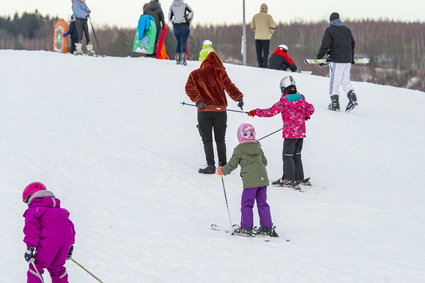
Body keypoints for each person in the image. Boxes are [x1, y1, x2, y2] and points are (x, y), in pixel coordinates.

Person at [247, 76, 315, 190]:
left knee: (287, 156)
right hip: (300, 133)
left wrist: (255, 112)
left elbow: (270, 112)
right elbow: (311, 109)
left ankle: (289, 179)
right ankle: (298, 178)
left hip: (290, 134)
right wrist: (305, 114)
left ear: (284, 89)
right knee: (296, 155)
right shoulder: (301, 98)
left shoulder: (284, 101)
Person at [185, 52, 244, 174]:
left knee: (207, 140)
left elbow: (188, 88)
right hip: (220, 112)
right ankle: (223, 165)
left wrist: (197, 100)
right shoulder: (220, 72)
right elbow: (229, 86)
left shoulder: (195, 74)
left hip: (203, 112)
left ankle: (211, 166)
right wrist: (239, 98)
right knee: (220, 140)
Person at [217, 124, 278, 237]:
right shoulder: (258, 146)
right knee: (262, 203)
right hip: (263, 179)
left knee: (247, 204)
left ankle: (246, 227)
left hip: (250, 181)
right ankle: (266, 227)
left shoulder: (239, 149)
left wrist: (222, 170)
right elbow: (265, 162)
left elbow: (232, 164)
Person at [22, 182, 76, 283]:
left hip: (49, 242)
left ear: (30, 197)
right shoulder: (60, 211)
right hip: (65, 242)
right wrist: (70, 247)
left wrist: (30, 247)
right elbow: (70, 227)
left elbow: (31, 229)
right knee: (57, 268)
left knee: (36, 267)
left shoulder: (34, 210)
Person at [316, 12, 357, 112]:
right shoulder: (347, 30)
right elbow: (352, 44)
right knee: (345, 81)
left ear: (331, 21)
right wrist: (351, 57)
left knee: (334, 82)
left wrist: (319, 58)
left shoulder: (330, 30)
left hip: (336, 60)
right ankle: (353, 98)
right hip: (347, 60)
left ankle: (335, 104)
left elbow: (325, 45)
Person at [250, 3, 277, 68]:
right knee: (265, 52)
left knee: (258, 52)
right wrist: (271, 31)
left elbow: (252, 27)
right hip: (266, 38)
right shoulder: (268, 16)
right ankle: (265, 65)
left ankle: (260, 64)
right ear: (267, 9)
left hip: (257, 37)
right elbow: (274, 25)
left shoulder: (255, 16)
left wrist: (257, 31)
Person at [169, 0, 194, 65]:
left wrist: (173, 23)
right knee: (184, 42)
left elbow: (169, 18)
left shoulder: (172, 7)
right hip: (184, 25)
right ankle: (183, 59)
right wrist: (188, 19)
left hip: (176, 26)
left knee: (178, 42)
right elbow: (191, 12)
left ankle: (177, 59)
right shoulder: (184, 5)